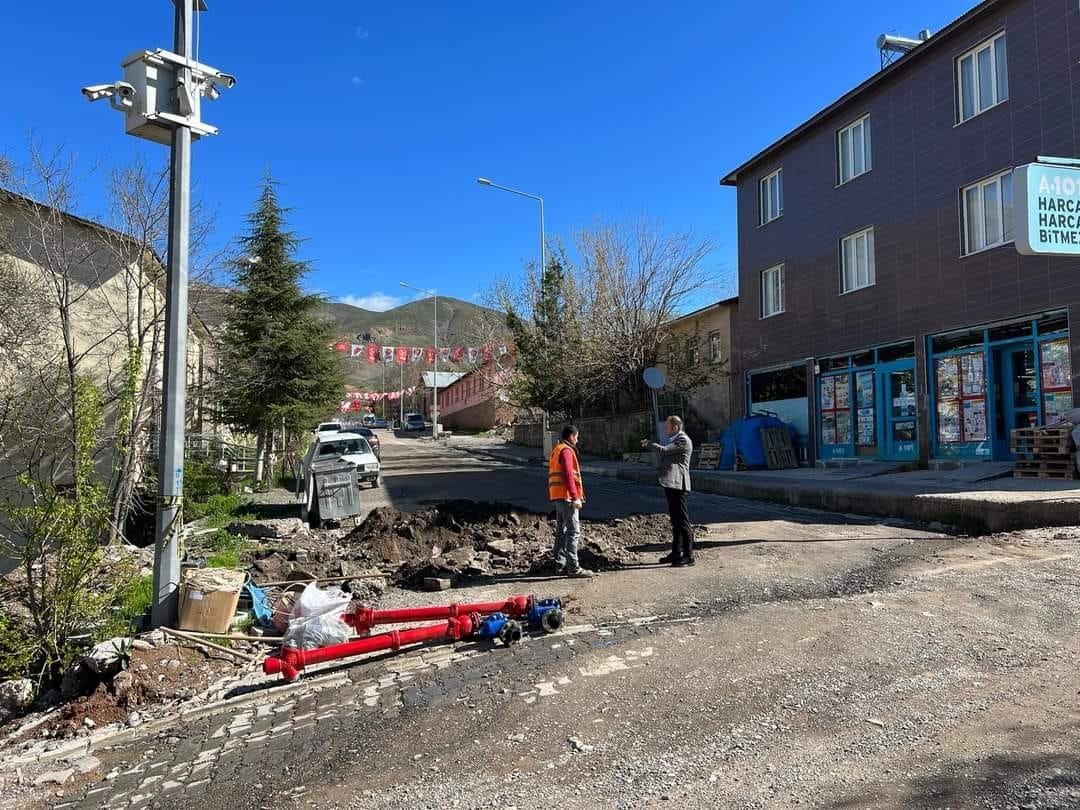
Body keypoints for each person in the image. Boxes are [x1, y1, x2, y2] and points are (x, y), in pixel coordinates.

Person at [641, 415, 695, 567]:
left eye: (667, 427)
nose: (665, 430)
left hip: (679, 485)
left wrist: (649, 444)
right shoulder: (676, 440)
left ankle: (689, 556)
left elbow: (664, 451)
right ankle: (676, 553)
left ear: (675, 427)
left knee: (683, 522)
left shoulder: (682, 440)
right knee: (676, 521)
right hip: (672, 484)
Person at [548, 425, 594, 578]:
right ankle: (573, 568)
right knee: (573, 531)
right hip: (567, 497)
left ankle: (559, 564)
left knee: (562, 531)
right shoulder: (567, 451)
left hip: (557, 496)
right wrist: (575, 497)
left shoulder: (557, 449)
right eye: (577, 436)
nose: (577, 439)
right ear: (572, 436)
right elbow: (568, 474)